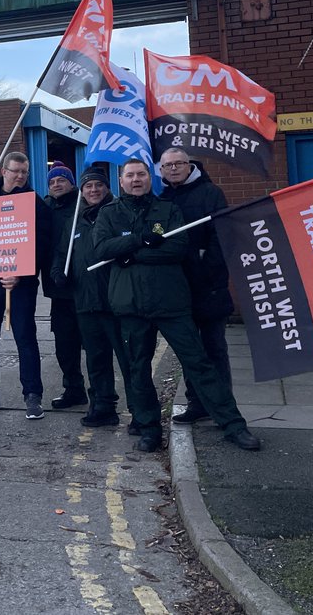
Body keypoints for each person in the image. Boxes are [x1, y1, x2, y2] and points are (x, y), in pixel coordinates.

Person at [92, 159, 261, 453]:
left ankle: (233, 425)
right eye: (130, 175)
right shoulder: (109, 213)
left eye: (141, 174)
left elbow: (177, 248)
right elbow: (102, 249)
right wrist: (140, 240)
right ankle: (149, 430)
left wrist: (130, 255)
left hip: (171, 302)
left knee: (199, 363)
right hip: (130, 303)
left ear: (150, 178)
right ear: (121, 181)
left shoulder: (168, 209)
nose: (136, 180)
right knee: (138, 369)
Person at [0, 151, 53, 419]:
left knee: (25, 339)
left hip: (21, 285)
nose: (20, 176)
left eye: (24, 172)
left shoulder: (34, 202)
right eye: (15, 171)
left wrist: (22, 274)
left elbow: (43, 243)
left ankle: (33, 395)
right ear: (4, 171)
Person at [51, 168, 133, 428]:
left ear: (107, 188)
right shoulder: (75, 220)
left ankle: (140, 412)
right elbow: (62, 253)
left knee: (129, 360)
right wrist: (58, 272)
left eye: (98, 185)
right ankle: (103, 406)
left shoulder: (119, 213)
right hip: (85, 301)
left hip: (115, 300)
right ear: (82, 190)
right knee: (96, 359)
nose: (93, 190)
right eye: (88, 186)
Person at [158, 148, 233, 424]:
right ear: (162, 170)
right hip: (180, 289)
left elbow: (222, 238)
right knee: (190, 351)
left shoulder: (210, 193)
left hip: (209, 287)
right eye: (168, 165)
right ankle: (197, 403)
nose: (173, 168)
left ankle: (223, 406)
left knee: (214, 349)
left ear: (189, 165)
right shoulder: (164, 199)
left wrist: (205, 269)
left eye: (178, 163)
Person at [42, 164, 89, 410]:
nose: (56, 185)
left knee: (93, 344)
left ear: (72, 183)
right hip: (58, 289)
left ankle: (102, 394)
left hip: (84, 288)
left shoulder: (84, 205)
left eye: (61, 180)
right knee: (64, 345)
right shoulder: (45, 207)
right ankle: (73, 389)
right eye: (52, 182)